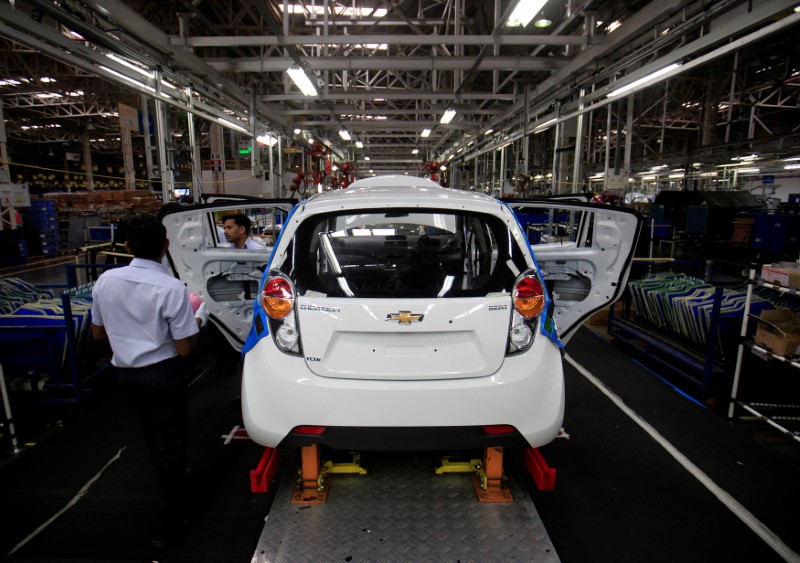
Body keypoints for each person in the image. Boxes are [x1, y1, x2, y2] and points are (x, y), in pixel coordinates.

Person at [90, 213, 206, 549]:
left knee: (152, 436)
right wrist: (198, 321)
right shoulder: (172, 288)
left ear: (127, 247)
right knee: (173, 445)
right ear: (166, 246)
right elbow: (185, 349)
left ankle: (168, 483)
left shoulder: (105, 281)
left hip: (126, 376)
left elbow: (98, 333)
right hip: (162, 374)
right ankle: (166, 521)